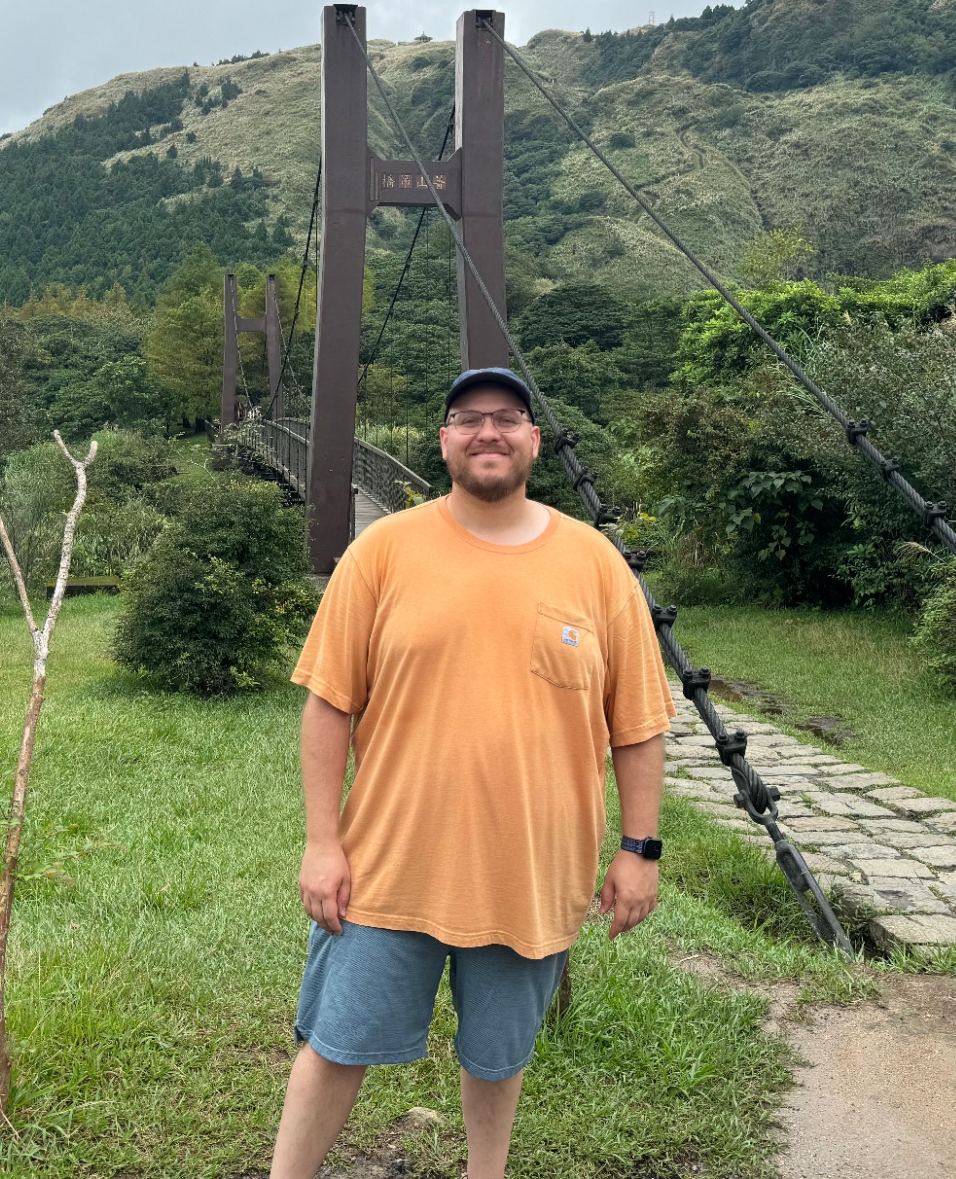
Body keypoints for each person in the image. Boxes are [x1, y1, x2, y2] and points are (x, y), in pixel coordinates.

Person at [269, 367, 674, 1179]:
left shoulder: (596, 565)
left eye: (508, 418)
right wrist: (323, 841)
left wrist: (640, 848)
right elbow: (326, 704)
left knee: (498, 1059)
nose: (488, 432)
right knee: (335, 1043)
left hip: (531, 869)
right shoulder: (382, 551)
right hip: (387, 866)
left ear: (532, 439)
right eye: (468, 419)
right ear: (445, 440)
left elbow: (637, 724)